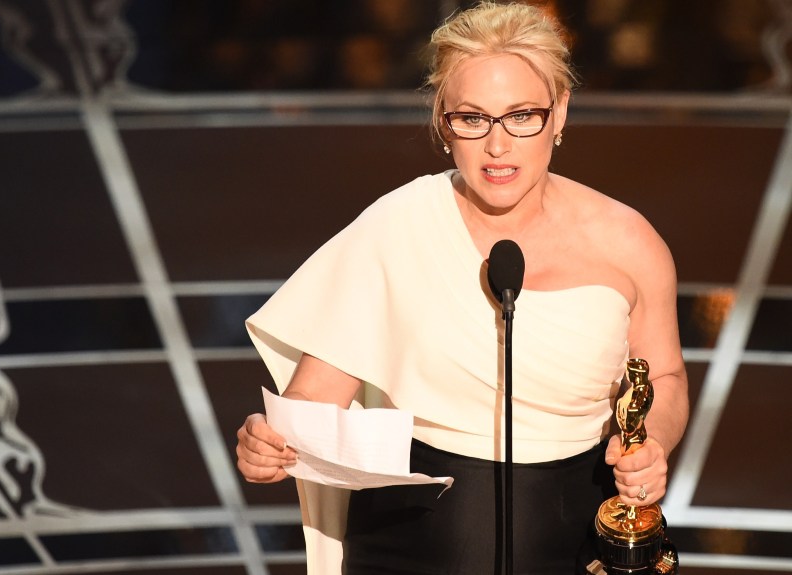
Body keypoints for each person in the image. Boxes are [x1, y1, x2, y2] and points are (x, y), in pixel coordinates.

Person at [235, 2, 689, 574]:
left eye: (522, 116)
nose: (498, 145)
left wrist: (654, 446)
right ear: (442, 122)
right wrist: (267, 441)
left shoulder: (631, 243)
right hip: (406, 544)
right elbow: (311, 401)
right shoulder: (397, 226)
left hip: (578, 540)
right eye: (473, 118)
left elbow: (664, 376)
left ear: (560, 114)